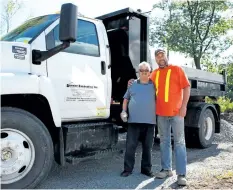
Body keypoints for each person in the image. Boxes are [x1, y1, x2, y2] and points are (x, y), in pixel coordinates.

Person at [128, 49, 190, 186]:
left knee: (179, 142)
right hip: (161, 113)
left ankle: (181, 174)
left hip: (177, 113)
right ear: (155, 60)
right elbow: (144, 81)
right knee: (164, 141)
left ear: (166, 56)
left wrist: (184, 106)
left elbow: (186, 87)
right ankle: (166, 169)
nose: (160, 58)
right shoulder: (155, 74)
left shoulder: (177, 69)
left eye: (162, 55)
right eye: (157, 56)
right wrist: (132, 81)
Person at [120, 62, 156, 177]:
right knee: (130, 147)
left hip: (150, 122)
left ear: (150, 72)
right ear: (138, 72)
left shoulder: (155, 85)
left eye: (146, 70)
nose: (144, 72)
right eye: (141, 70)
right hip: (134, 121)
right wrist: (123, 111)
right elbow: (126, 99)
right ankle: (127, 169)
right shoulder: (132, 84)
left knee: (147, 148)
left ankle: (146, 169)